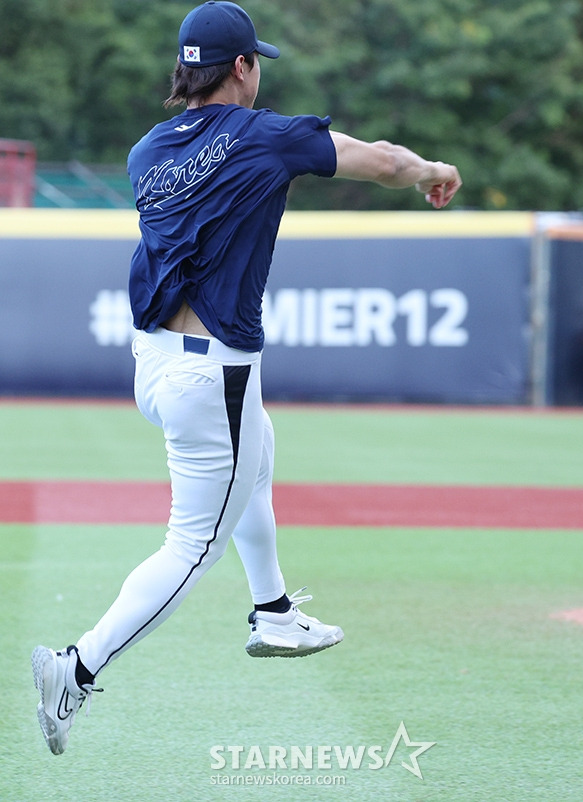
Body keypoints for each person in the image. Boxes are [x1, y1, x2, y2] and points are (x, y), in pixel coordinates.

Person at [31, 0, 462, 756]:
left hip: (155, 360)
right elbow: (388, 163)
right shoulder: (266, 135)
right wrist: (430, 170)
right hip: (210, 375)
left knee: (257, 454)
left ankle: (273, 610)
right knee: (191, 546)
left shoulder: (145, 152)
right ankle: (78, 668)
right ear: (242, 67)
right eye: (254, 58)